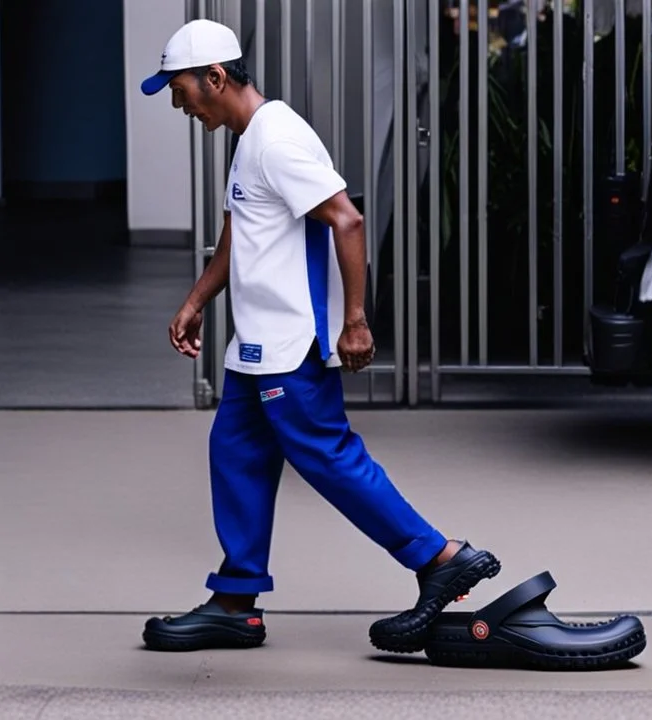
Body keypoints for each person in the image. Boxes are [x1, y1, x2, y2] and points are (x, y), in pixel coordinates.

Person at [137, 19, 501, 653]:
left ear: (215, 77)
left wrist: (355, 321)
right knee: (236, 454)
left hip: (291, 346)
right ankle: (235, 602)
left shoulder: (277, 140)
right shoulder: (249, 140)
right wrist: (197, 300)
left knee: (327, 457)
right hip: (256, 347)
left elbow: (347, 219)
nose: (178, 102)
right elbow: (240, 232)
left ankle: (440, 558)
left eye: (180, 88)